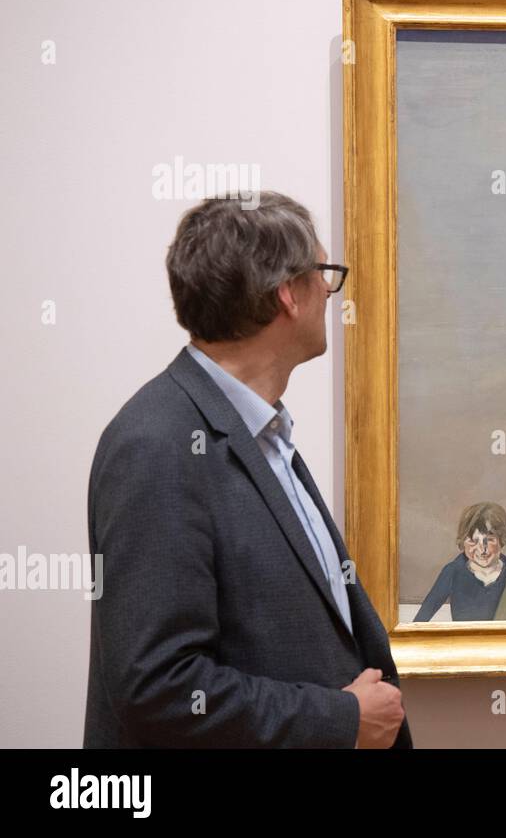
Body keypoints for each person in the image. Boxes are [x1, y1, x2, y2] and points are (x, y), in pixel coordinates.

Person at [84, 192, 411, 748]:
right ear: (288, 294)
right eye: (324, 276)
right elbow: (159, 687)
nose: (330, 294)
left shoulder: (264, 433)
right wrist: (340, 720)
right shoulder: (157, 445)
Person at [413, 502, 506, 621]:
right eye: (473, 541)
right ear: (463, 541)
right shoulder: (453, 571)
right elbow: (422, 617)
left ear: (502, 540)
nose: (482, 549)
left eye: (489, 540)